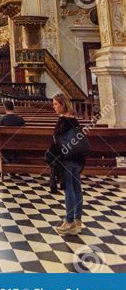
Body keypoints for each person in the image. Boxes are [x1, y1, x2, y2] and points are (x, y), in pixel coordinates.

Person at [49, 93, 85, 236]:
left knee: (68, 189)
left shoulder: (62, 121)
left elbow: (56, 141)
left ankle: (69, 222)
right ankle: (77, 221)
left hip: (66, 160)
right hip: (77, 159)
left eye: (56, 104)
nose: (54, 107)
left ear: (63, 104)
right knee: (77, 189)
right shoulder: (75, 120)